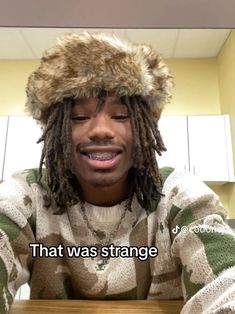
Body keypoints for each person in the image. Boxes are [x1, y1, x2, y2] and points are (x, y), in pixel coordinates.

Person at [0, 32, 235, 314]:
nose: (101, 130)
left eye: (121, 116)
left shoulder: (176, 194)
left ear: (143, 130)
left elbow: (225, 278)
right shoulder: (28, 194)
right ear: (56, 132)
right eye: (79, 117)